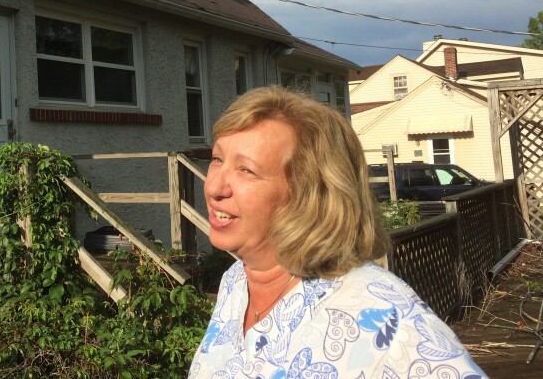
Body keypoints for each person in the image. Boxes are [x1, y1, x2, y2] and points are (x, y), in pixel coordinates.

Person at [189, 86, 486, 379]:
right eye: (217, 159)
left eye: (247, 170)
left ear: (311, 194)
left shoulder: (384, 317)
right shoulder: (236, 282)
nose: (214, 187)